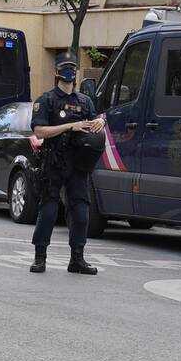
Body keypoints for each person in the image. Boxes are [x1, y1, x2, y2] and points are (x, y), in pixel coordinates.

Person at [28, 52, 103, 275]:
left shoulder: (85, 101)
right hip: (54, 161)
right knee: (49, 210)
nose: (69, 72)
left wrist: (100, 122)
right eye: (65, 68)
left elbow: (95, 121)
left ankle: (77, 259)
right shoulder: (47, 100)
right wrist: (70, 126)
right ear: (57, 72)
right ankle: (40, 257)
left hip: (79, 162)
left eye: (72, 68)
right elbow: (39, 131)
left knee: (81, 211)